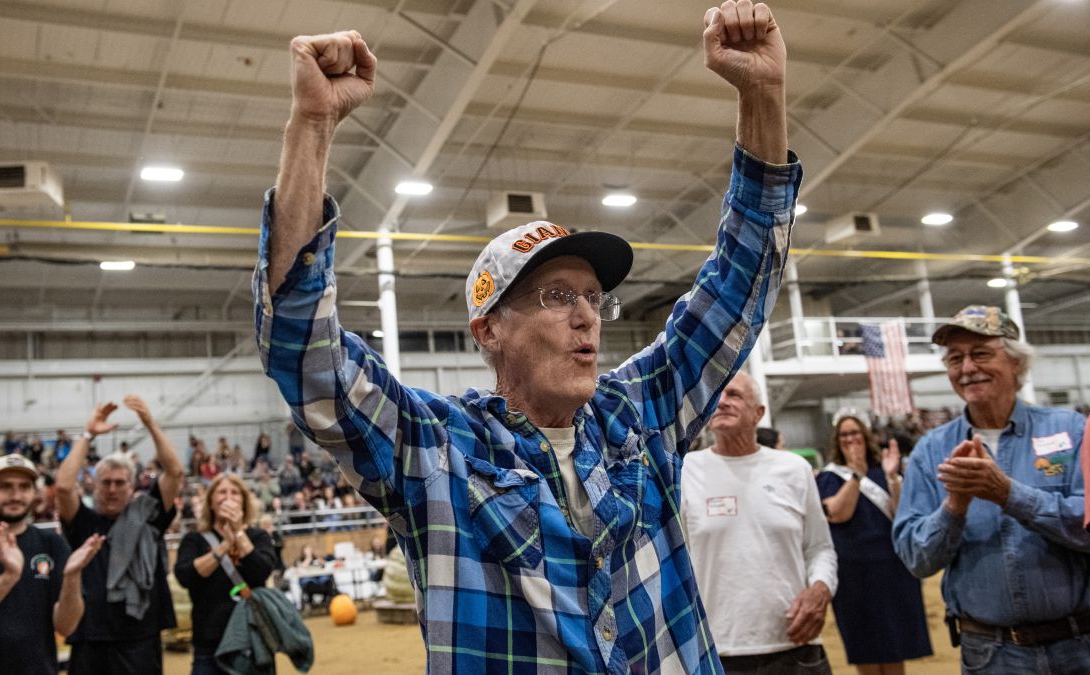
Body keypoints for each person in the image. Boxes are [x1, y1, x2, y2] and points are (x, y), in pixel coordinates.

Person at [254, 2, 799, 670]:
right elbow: (303, 348)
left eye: (594, 297)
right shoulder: (437, 451)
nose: (587, 315)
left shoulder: (639, 415)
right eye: (558, 296)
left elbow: (739, 282)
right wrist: (312, 126)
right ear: (490, 329)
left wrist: (763, 93)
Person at [893, 305, 1090, 674]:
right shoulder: (930, 451)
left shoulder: (1071, 430)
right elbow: (916, 558)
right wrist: (954, 507)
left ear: (1016, 362)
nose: (967, 368)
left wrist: (1009, 495)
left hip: (1078, 646)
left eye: (980, 353)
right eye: (955, 358)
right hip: (991, 654)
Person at [680, 372, 837, 674]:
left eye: (735, 395)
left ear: (759, 413)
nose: (722, 402)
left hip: (795, 645)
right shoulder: (686, 471)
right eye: (716, 395)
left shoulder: (794, 469)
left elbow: (820, 548)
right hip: (718, 650)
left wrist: (820, 589)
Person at [55, 395, 185, 674]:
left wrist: (150, 423)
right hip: (90, 637)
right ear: (95, 486)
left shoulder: (148, 516)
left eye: (119, 483)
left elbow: (175, 472)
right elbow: (64, 487)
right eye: (106, 483)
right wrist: (87, 434)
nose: (112, 489)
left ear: (132, 486)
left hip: (141, 638)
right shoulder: (83, 522)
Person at [0, 454, 105, 675]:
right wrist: (8, 578)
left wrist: (72, 576)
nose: (16, 495)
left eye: (24, 487)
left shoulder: (51, 543)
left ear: (34, 493)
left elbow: (66, 626)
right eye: (5, 487)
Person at [817, 413, 931, 674]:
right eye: (844, 434)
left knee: (894, 643)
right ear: (837, 440)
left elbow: (902, 514)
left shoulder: (885, 471)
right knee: (863, 643)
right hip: (853, 572)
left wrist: (893, 479)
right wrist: (856, 475)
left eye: (854, 433)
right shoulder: (829, 477)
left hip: (891, 568)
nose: (850, 439)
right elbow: (838, 513)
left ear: (865, 436)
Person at [174, 474, 279, 675]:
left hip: (252, 639)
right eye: (222, 492)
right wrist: (224, 546)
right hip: (209, 643)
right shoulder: (194, 539)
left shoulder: (258, 536)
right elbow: (185, 576)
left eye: (235, 493)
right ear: (211, 502)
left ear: (244, 502)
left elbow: (261, 571)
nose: (228, 497)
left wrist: (238, 533)